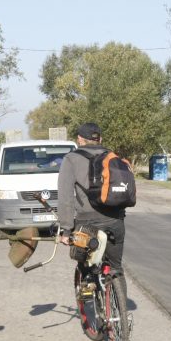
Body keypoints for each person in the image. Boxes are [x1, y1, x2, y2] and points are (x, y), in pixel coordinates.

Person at [57, 122, 128, 299]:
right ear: (100, 139)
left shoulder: (71, 159)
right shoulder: (112, 156)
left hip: (87, 222)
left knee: (82, 260)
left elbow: (65, 197)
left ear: (79, 140)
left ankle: (87, 282)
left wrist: (66, 230)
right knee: (116, 268)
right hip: (115, 220)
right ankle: (121, 311)